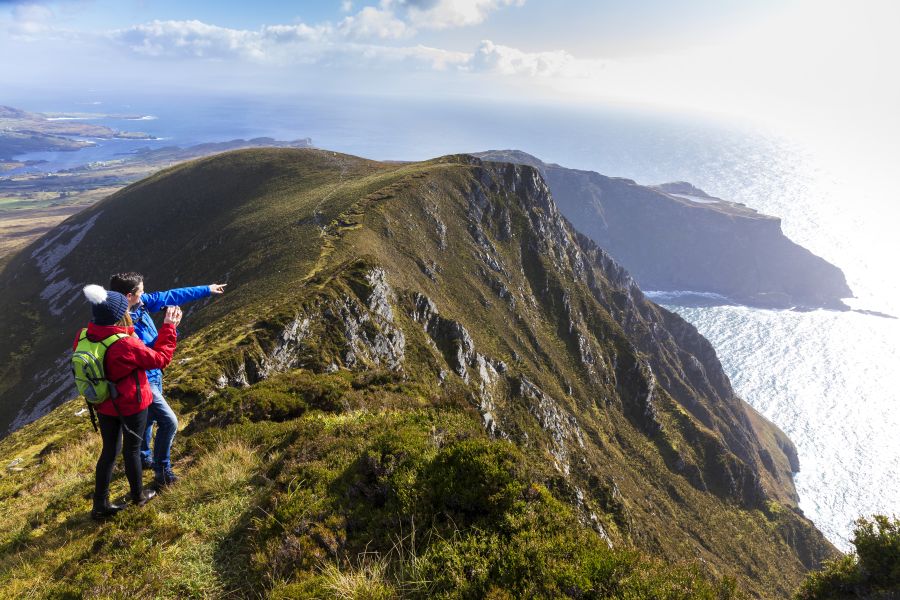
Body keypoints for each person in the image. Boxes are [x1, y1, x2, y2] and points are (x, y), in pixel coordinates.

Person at [108, 272, 226, 488]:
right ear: (128, 296)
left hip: (151, 377)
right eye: (141, 291)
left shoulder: (139, 304)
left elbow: (171, 295)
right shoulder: (121, 326)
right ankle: (163, 472)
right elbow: (150, 358)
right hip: (142, 380)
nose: (145, 294)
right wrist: (169, 326)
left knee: (148, 420)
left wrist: (207, 288)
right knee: (169, 422)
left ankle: (144, 458)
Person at [76, 284, 182, 520]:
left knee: (109, 452)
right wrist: (169, 327)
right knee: (132, 450)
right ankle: (139, 497)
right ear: (118, 315)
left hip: (103, 404)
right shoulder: (125, 344)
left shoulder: (84, 335)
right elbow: (160, 359)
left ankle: (100, 505)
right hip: (131, 403)